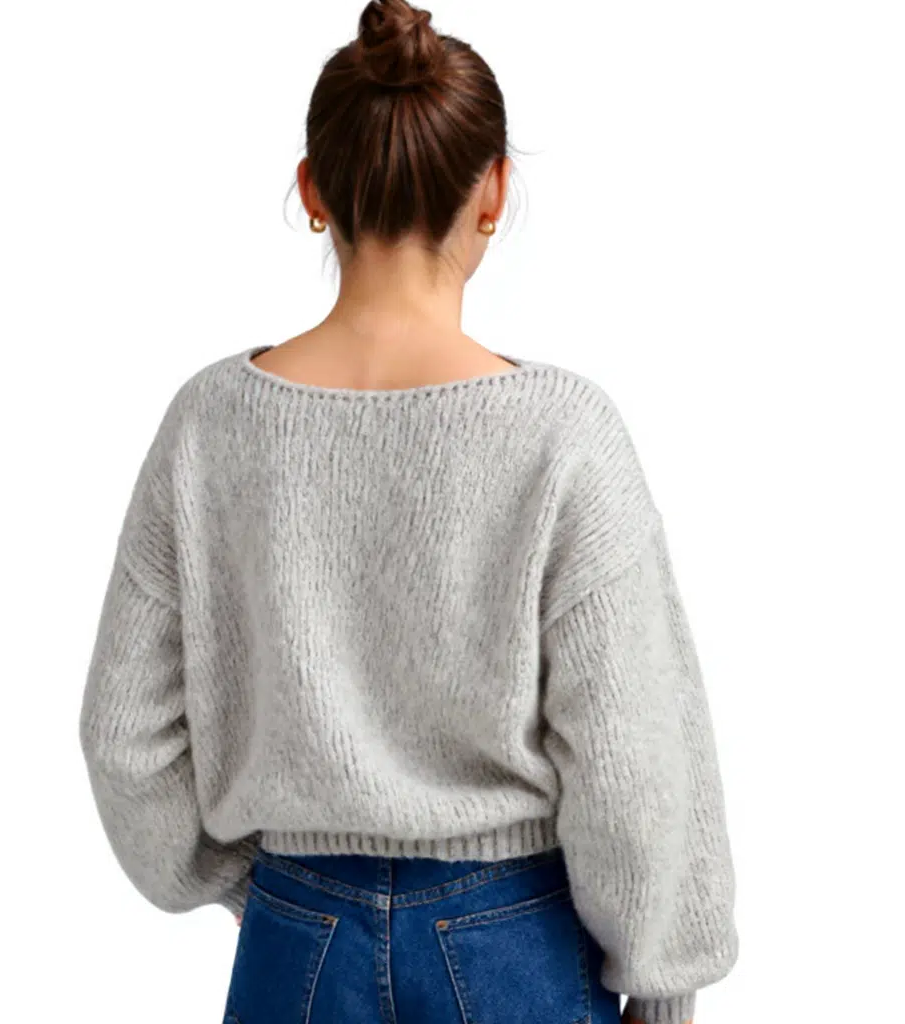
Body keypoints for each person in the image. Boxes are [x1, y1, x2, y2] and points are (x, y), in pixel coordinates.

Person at [77, 1, 739, 1022]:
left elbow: (124, 736)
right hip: (513, 945)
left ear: (312, 189)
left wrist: (268, 894)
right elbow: (631, 758)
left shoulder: (211, 424)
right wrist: (664, 986)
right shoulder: (563, 435)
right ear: (494, 191)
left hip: (296, 937)